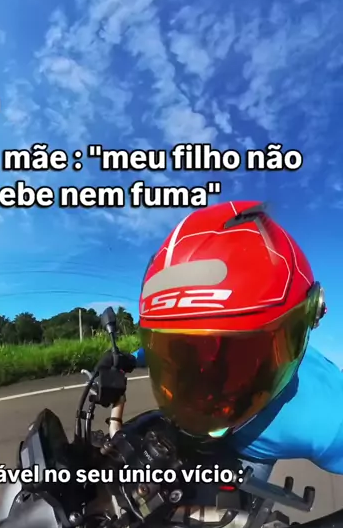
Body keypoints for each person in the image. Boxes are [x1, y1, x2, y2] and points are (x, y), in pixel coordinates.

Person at [127, 200, 343, 478]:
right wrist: (130, 358)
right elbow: (167, 350)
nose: (204, 392)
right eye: (189, 346)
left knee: (245, 494)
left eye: (240, 352)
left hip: (251, 451)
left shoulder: (329, 420)